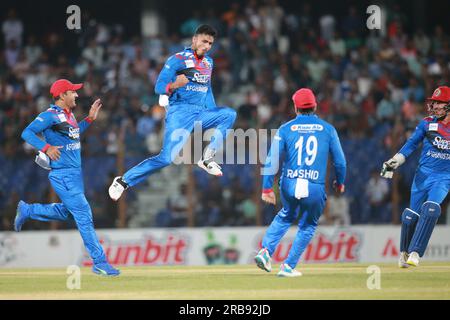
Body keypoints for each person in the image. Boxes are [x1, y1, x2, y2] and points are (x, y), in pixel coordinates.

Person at [108, 24, 236, 201]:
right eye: (204, 41)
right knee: (166, 159)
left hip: (200, 114)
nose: (207, 46)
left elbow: (207, 89)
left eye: (210, 43)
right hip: (180, 114)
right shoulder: (177, 60)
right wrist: (175, 85)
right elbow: (159, 87)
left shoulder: (209, 62)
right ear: (194, 40)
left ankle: (207, 158)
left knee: (229, 114)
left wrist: (212, 111)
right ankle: (123, 181)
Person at [14, 79, 120, 276]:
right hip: (63, 175)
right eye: (73, 92)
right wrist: (46, 147)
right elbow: (26, 133)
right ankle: (99, 262)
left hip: (74, 174)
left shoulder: (68, 116)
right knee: (84, 214)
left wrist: (88, 119)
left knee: (70, 212)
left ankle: (28, 210)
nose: (77, 95)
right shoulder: (50, 115)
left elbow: (73, 134)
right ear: (62, 96)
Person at [255, 88, 347, 277]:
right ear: (315, 106)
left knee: (286, 215)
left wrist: (266, 187)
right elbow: (340, 162)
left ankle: (265, 252)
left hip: (289, 183)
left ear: (295, 107)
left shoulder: (285, 128)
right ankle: (288, 266)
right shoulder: (328, 129)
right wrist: (340, 182)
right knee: (308, 225)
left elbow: (272, 159)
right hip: (314, 185)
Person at [381, 86, 450, 268]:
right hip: (422, 176)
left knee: (431, 209)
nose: (433, 106)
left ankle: (415, 252)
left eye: (438, 103)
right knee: (410, 215)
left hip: (444, 178)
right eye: (432, 102)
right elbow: (411, 144)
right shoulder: (426, 123)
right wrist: (395, 160)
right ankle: (404, 252)